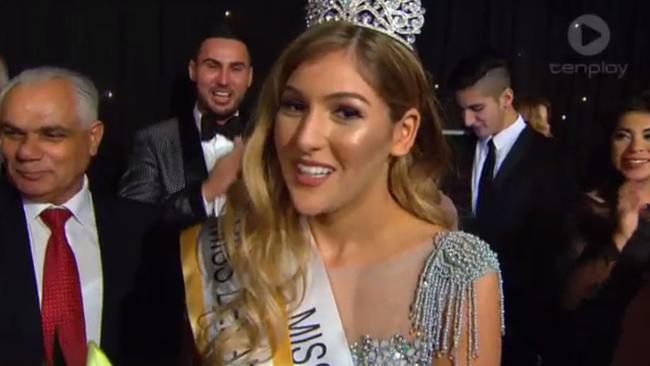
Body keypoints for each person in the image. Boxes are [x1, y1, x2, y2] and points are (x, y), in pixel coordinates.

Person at [181, 2, 503, 365]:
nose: (305, 138)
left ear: (404, 132)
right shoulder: (233, 253)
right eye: (294, 106)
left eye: (346, 112)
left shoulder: (456, 273)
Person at [0, 67, 187, 365]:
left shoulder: (148, 234)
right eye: (12, 133)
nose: (26, 152)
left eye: (51, 134)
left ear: (93, 137)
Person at [447, 54, 566, 365]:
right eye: (462, 110)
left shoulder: (551, 159)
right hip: (455, 320)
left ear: (507, 98)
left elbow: (551, 252)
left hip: (521, 329)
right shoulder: (456, 152)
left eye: (476, 109)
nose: (467, 121)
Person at [118, 22, 251, 226]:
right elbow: (132, 227)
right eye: (212, 66)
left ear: (249, 77)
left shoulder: (269, 138)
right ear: (193, 70)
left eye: (236, 69)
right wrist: (207, 191)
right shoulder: (154, 141)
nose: (224, 80)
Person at [553, 92, 650, 366]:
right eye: (623, 136)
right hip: (600, 351)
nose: (636, 148)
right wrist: (621, 235)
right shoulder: (588, 208)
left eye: (648, 136)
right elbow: (569, 298)